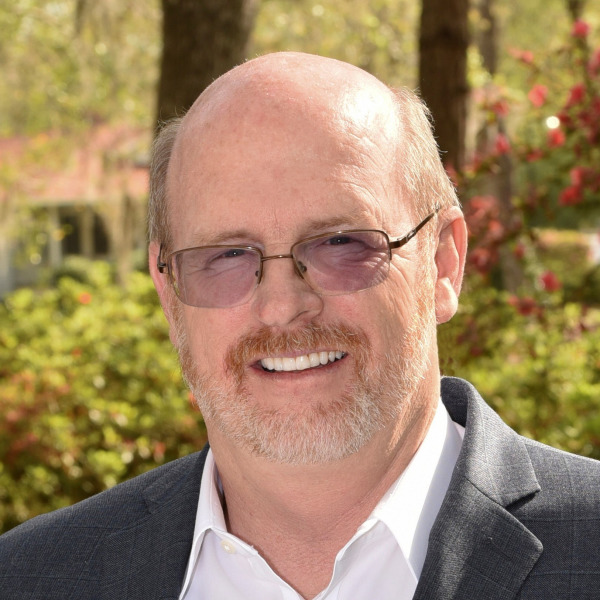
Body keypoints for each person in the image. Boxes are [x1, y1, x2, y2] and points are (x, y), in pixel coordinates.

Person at [0, 52, 599, 600]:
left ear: (444, 262)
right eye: (227, 255)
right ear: (169, 292)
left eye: (341, 243)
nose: (283, 306)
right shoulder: (31, 579)